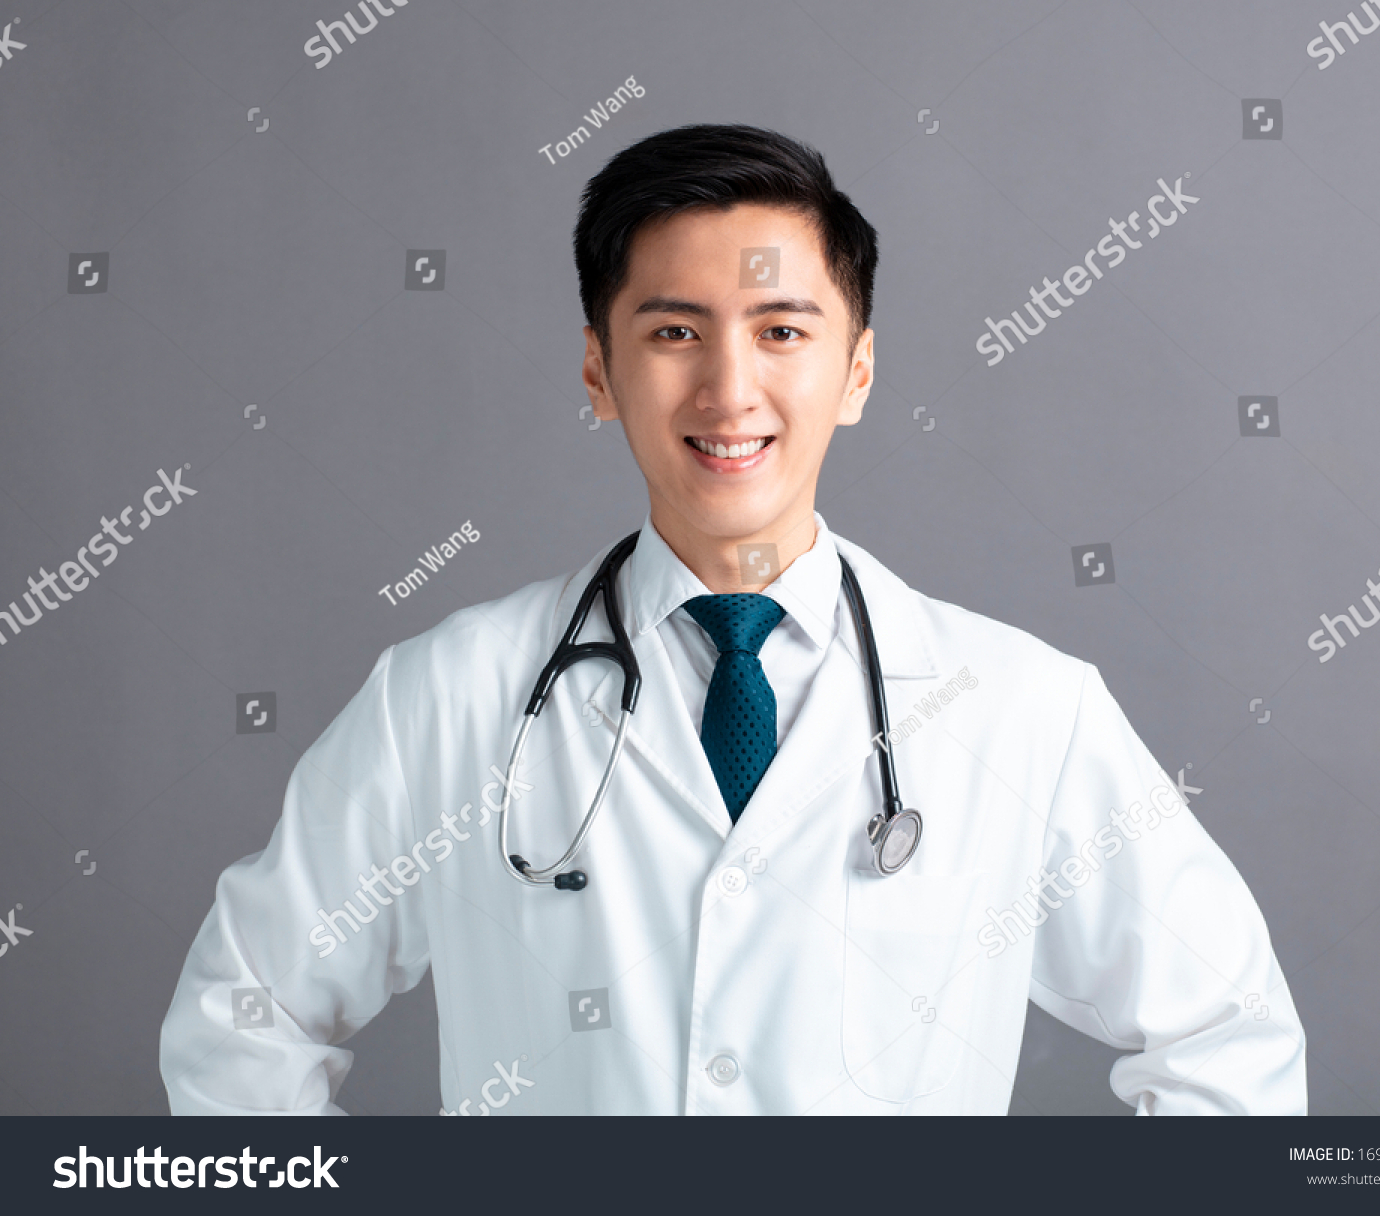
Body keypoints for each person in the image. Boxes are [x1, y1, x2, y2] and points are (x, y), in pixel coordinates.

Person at [160, 123, 1306, 1115]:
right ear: (598, 373)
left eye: (782, 330)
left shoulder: (1022, 710)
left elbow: (1229, 1040)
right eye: (673, 333)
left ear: (857, 373)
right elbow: (242, 1019)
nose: (728, 390)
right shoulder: (451, 697)